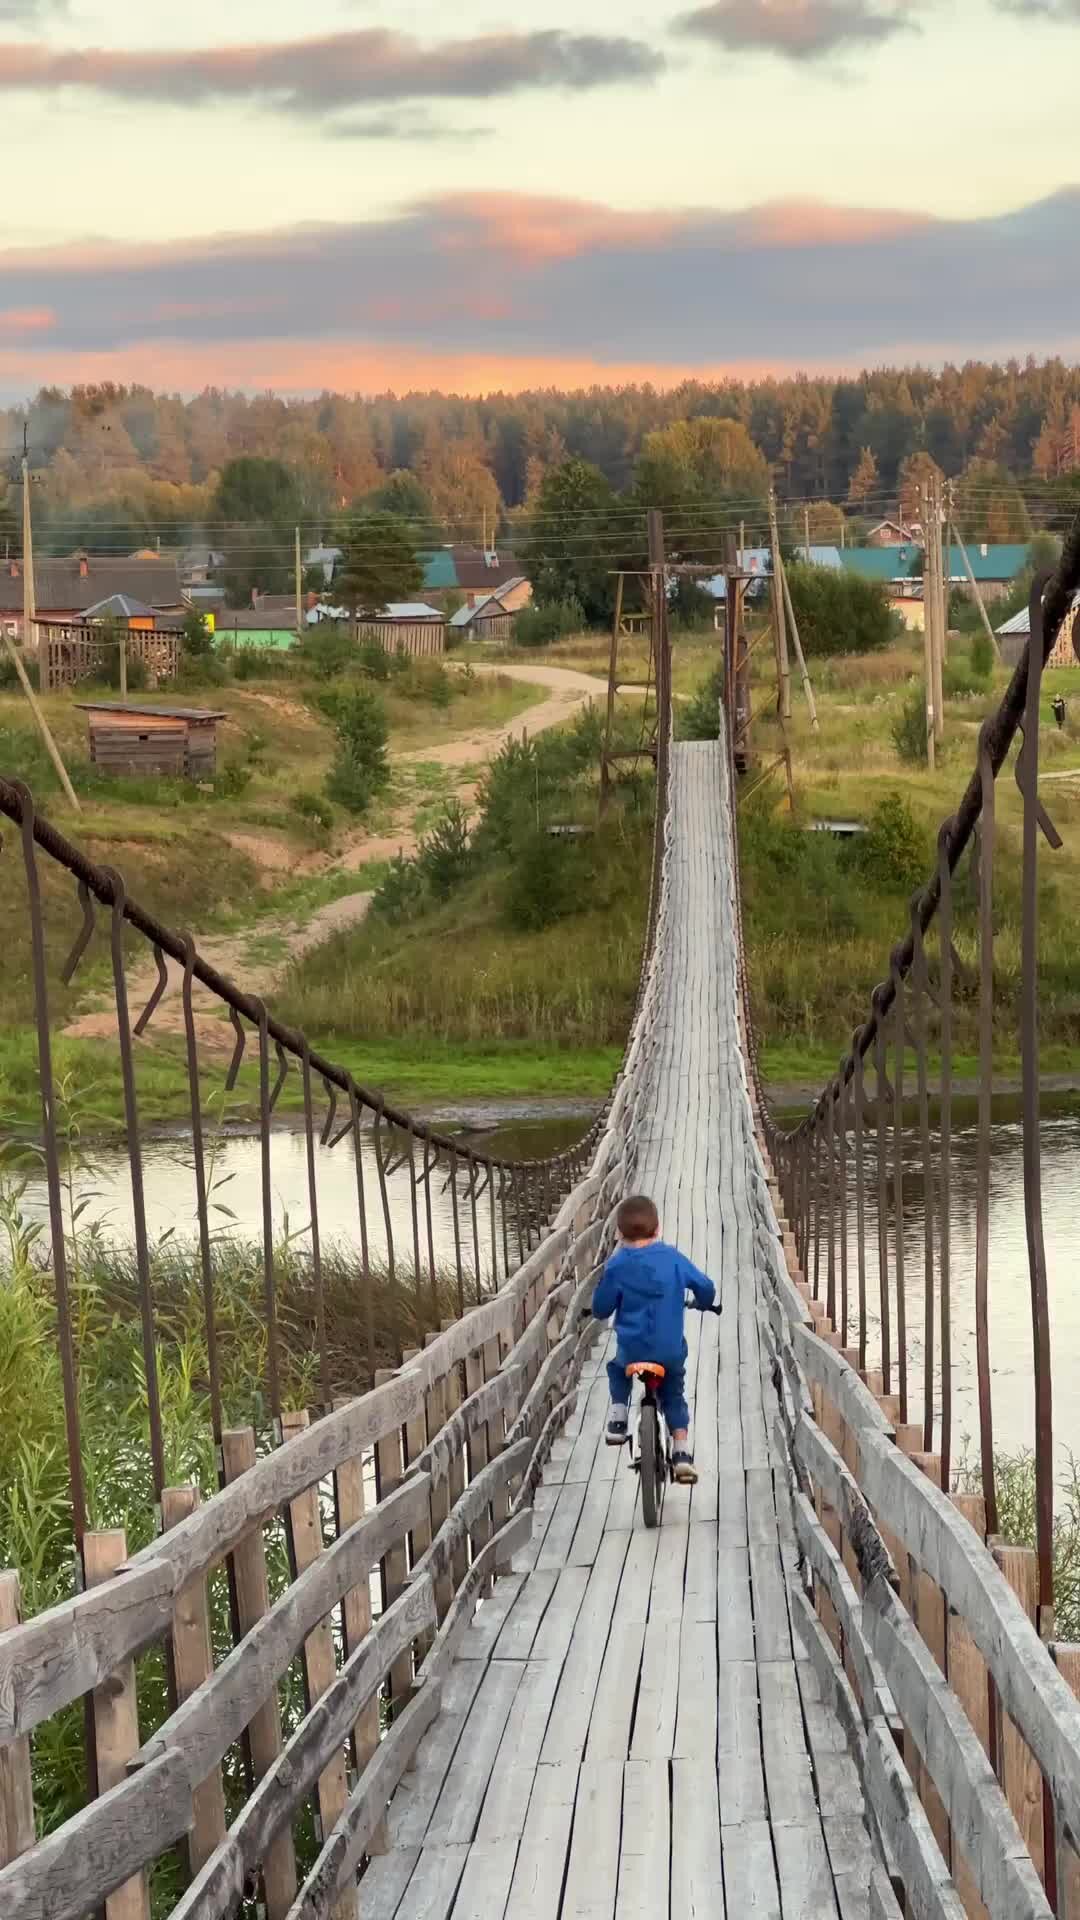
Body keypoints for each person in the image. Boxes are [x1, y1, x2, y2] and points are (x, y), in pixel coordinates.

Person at [591, 1193, 717, 1485]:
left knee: (616, 1368)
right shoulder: (672, 1258)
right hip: (670, 1350)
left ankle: (619, 1416)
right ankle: (682, 1452)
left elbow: (601, 1308)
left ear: (619, 1234)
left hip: (632, 1350)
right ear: (658, 1228)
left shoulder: (617, 1266)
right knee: (673, 1391)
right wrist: (703, 1302)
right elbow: (705, 1287)